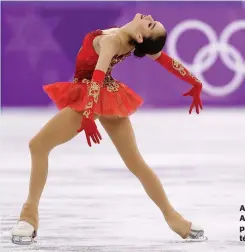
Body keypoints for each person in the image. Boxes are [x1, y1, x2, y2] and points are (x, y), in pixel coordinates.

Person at [11, 13, 205, 245]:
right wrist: (196, 82)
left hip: (91, 93)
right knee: (136, 163)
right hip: (110, 95)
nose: (149, 16)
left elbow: (98, 75)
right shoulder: (129, 39)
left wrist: (88, 114)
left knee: (38, 146)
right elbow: (165, 61)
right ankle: (175, 220)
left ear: (141, 36)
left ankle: (29, 217)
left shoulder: (114, 41)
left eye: (151, 24)